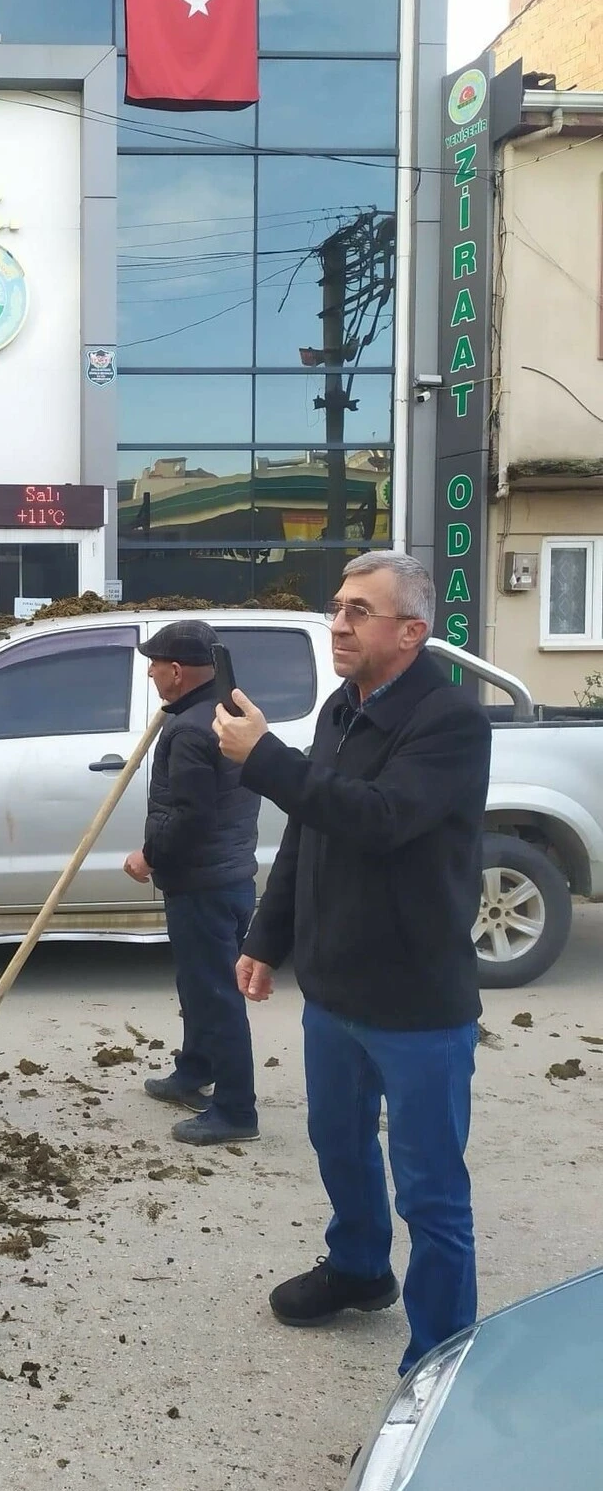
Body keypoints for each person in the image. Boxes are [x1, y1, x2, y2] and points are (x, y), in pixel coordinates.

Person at [213, 553, 492, 1374]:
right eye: (337, 607)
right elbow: (310, 827)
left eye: (359, 611)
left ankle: (438, 1359)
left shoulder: (450, 723)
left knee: (430, 1190)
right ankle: (361, 1267)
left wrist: (264, 757)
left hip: (417, 1003)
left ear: (411, 631)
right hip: (334, 992)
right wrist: (266, 936)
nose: (337, 623)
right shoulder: (343, 708)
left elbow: (380, 817)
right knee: (338, 1142)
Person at [124, 620, 262, 1147]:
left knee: (216, 994)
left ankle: (236, 1111)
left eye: (155, 665)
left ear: (177, 671)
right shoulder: (230, 714)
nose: (152, 673)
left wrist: (148, 857)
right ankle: (193, 1071)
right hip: (229, 876)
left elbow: (191, 815)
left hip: (203, 883)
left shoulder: (189, 730)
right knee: (199, 985)